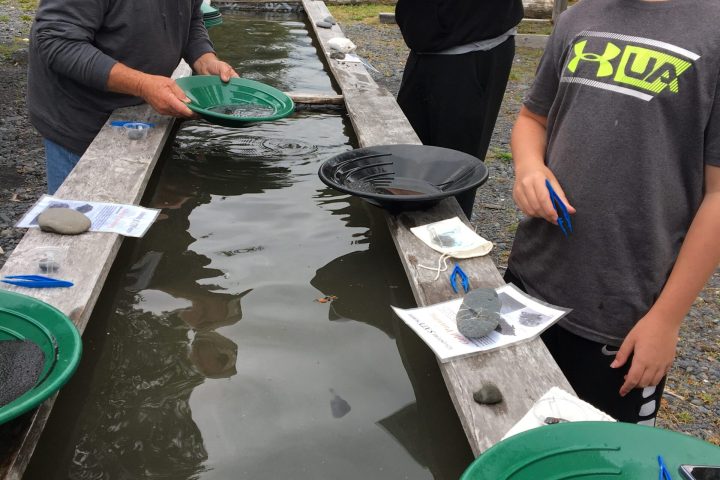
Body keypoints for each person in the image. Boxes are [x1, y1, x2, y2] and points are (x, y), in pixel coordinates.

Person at [506, 0, 720, 424]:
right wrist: (529, 167)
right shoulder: (577, 18)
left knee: (602, 457)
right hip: (528, 283)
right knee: (505, 427)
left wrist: (666, 320)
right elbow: (532, 118)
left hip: (625, 317)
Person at [27, 0, 238, 194]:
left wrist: (203, 58)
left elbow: (191, 17)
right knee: (77, 220)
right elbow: (57, 42)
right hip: (79, 118)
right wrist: (141, 84)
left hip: (141, 112)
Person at [394, 0, 523, 219]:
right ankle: (402, 236)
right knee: (405, 163)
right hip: (426, 41)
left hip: (472, 45)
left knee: (453, 172)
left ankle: (447, 242)